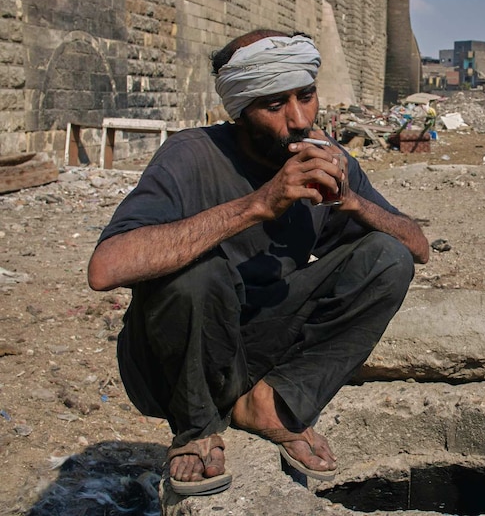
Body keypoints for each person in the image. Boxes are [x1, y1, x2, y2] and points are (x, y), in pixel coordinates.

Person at [87, 29, 430, 496]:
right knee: (197, 271)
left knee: (388, 257)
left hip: (262, 347)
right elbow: (105, 268)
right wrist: (258, 204)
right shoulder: (191, 156)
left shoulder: (324, 157)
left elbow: (418, 247)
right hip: (175, 355)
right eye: (274, 106)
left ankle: (271, 402)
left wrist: (353, 203)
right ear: (241, 112)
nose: (298, 118)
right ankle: (196, 426)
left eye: (306, 96)